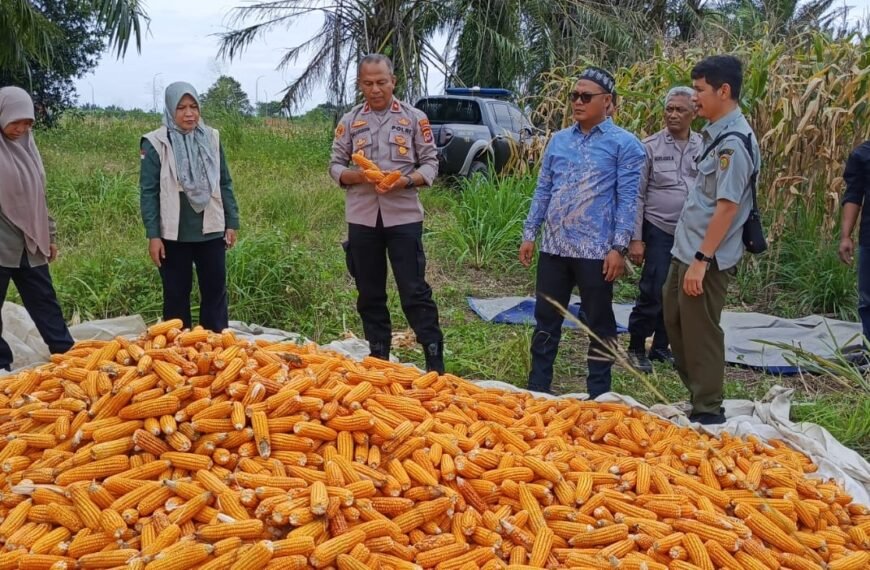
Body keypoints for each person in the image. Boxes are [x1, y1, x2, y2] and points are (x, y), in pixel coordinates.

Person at [520, 67, 645, 397]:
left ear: (607, 102)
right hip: (555, 248)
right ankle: (538, 387)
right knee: (546, 318)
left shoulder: (625, 145)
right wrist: (530, 233)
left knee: (599, 323)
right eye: (574, 95)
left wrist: (618, 246)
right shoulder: (559, 141)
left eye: (585, 97)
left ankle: (599, 393)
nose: (577, 101)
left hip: (596, 252)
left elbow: (628, 198)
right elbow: (543, 189)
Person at [328, 54, 445, 373]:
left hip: (404, 217)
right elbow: (335, 164)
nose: (376, 89)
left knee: (414, 290)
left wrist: (406, 180)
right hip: (363, 218)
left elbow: (430, 163)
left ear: (393, 81)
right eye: (368, 83)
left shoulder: (413, 118)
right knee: (369, 292)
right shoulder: (350, 121)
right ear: (360, 84)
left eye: (382, 82)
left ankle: (435, 362)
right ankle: (379, 358)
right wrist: (358, 176)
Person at [663, 55, 760, 425]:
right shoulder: (715, 134)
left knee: (700, 331)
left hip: (706, 257)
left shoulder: (733, 144)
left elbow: (726, 209)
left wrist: (701, 261)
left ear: (724, 91)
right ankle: (699, 394)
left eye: (700, 90)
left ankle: (708, 409)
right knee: (674, 321)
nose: (694, 98)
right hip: (686, 249)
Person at [140, 82, 240, 332]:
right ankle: (177, 352)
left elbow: (224, 181)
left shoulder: (212, 138)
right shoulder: (155, 143)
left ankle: (215, 347)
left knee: (215, 292)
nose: (189, 113)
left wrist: (232, 221)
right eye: (181, 107)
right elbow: (149, 192)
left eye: (194, 107)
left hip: (211, 227)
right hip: (174, 233)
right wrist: (153, 235)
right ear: (170, 110)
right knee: (175, 295)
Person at [627, 87, 703, 372]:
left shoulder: (704, 146)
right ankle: (636, 347)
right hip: (659, 228)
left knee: (680, 291)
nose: (673, 115)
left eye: (680, 110)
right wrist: (636, 238)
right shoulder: (650, 147)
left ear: (694, 114)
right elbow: (637, 195)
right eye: (669, 109)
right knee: (653, 289)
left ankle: (661, 346)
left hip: (691, 232)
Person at [0, 87, 75, 371]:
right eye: (15, 122)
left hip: (29, 243)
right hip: (1, 243)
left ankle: (66, 353)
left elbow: (38, 197)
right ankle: (1, 365)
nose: (20, 129)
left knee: (44, 300)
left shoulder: (28, 147)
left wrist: (50, 234)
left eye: (27, 123)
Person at [840, 142, 870, 350]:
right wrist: (846, 236)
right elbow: (853, 195)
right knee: (867, 300)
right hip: (869, 237)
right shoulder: (863, 155)